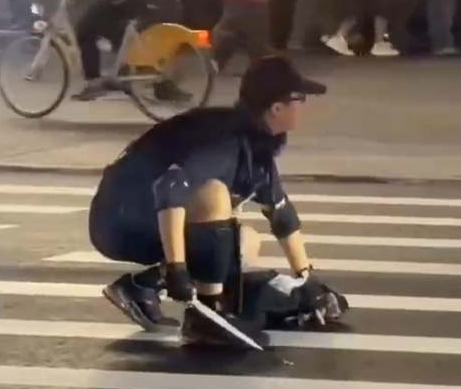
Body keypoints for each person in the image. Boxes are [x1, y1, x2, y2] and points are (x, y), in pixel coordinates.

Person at [92, 56, 340, 343]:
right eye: (300, 99)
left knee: (244, 242)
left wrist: (307, 278)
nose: (304, 106)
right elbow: (170, 187)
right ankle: (207, 315)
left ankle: (141, 286)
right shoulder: (222, 141)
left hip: (144, 215)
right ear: (276, 108)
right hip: (119, 219)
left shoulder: (256, 141)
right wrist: (177, 268)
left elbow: (281, 214)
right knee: (214, 195)